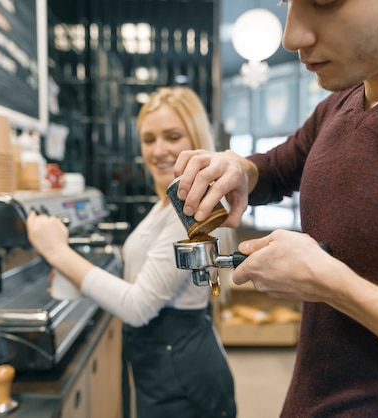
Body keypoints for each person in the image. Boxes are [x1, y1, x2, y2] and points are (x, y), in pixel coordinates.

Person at [173, 1, 378, 417]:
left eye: (325, 1)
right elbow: (278, 168)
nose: (291, 36)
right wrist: (239, 167)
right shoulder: (343, 103)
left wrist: (334, 285)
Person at [26, 86, 237, 418]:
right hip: (167, 362)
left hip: (182, 374)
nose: (159, 150)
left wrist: (58, 252)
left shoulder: (194, 212)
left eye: (172, 136)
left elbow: (138, 307)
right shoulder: (167, 205)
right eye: (149, 139)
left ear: (196, 138)